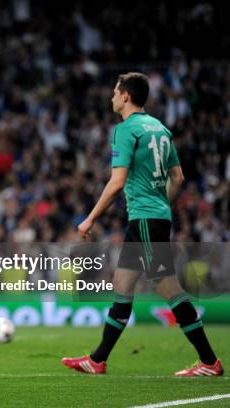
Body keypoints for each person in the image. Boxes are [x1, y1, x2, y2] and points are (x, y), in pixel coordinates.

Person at [61, 72, 224, 377]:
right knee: (122, 287)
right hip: (150, 218)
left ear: (125, 96)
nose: (111, 97)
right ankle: (97, 360)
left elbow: (116, 181)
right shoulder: (161, 129)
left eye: (114, 91)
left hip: (146, 218)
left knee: (169, 289)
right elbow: (179, 178)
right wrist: (162, 204)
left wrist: (90, 218)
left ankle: (210, 362)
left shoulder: (126, 129)